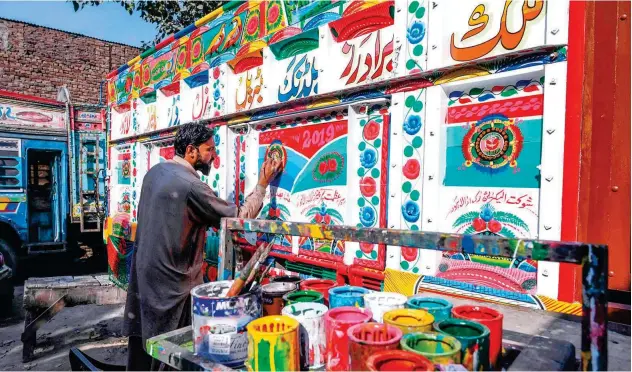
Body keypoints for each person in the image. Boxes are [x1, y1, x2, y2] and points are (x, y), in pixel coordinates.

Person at [123, 123, 282, 370]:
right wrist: (262, 185)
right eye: (209, 150)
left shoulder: (154, 172)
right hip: (173, 285)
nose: (214, 156)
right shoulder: (191, 186)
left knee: (145, 343)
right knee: (172, 351)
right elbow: (237, 218)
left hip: (144, 276)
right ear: (191, 151)